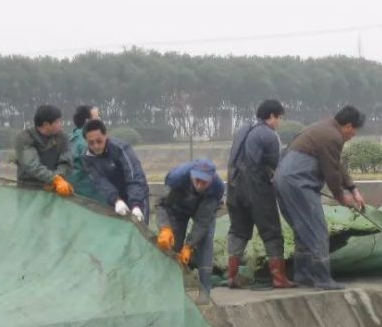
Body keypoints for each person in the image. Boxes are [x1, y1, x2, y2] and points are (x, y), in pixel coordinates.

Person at [273, 106, 366, 291]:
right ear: (348, 126)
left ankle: (303, 275)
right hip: (298, 182)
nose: (353, 135)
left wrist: (353, 189)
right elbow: (331, 173)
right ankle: (323, 278)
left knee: (303, 229)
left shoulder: (322, 128)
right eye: (355, 131)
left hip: (283, 179)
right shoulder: (333, 136)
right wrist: (341, 197)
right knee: (317, 230)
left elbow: (335, 163)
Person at [226, 99, 294, 289]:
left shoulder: (242, 130)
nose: (279, 122)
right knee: (272, 232)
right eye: (279, 118)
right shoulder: (269, 135)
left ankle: (231, 276)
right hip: (257, 189)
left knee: (238, 231)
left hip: (233, 188)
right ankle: (279, 278)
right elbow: (274, 164)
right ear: (271, 115)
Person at [156, 158, 224, 304]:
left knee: (205, 244)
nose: (199, 185)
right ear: (191, 175)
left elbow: (202, 222)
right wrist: (165, 228)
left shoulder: (217, 188)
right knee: (173, 244)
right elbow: (161, 205)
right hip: (178, 209)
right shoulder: (176, 179)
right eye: (197, 180)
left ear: (212, 180)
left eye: (204, 182)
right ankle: (171, 289)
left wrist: (189, 245)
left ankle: (205, 291)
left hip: (203, 210)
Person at [81, 119, 150, 222]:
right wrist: (116, 200)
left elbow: (134, 175)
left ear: (106, 136)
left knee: (139, 229)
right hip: (115, 201)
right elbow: (100, 181)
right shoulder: (87, 158)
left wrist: (136, 205)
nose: (96, 146)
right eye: (91, 143)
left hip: (137, 196)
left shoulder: (121, 149)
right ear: (86, 141)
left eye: (99, 141)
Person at [14, 105, 74, 196]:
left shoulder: (62, 138)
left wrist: (58, 178)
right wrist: (53, 178)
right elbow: (32, 165)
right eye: (57, 122)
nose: (60, 125)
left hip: (53, 190)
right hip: (28, 190)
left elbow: (66, 162)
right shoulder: (25, 138)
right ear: (46, 124)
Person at [68, 105, 102, 200]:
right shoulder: (86, 142)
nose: (100, 120)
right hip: (91, 196)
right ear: (88, 121)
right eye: (97, 117)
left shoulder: (72, 138)